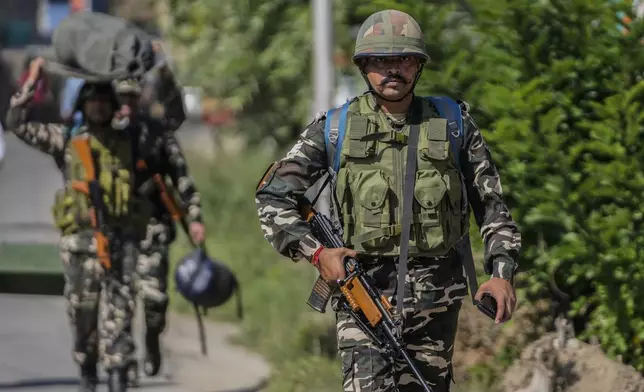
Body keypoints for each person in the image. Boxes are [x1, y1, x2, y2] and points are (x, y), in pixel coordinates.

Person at [255, 9, 521, 392]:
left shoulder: (453, 125)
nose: (392, 70)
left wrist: (501, 275)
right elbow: (273, 196)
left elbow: (494, 210)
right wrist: (317, 254)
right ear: (363, 66)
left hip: (436, 308)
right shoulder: (334, 128)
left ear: (419, 66)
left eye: (404, 59)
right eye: (380, 60)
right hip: (362, 300)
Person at [4, 57, 197, 392]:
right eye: (92, 102)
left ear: (113, 107)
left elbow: (171, 121)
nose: (98, 108)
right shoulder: (66, 141)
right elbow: (17, 124)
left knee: (119, 323)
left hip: (122, 245)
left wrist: (164, 72)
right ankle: (89, 369)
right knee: (83, 320)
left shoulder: (134, 140)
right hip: (79, 248)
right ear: (83, 105)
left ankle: (119, 373)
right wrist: (32, 81)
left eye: (104, 102)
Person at [113, 77, 205, 378]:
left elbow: (181, 177)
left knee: (154, 300)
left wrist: (194, 218)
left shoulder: (156, 133)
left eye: (131, 97)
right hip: (115, 230)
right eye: (120, 97)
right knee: (120, 302)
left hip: (153, 227)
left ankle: (152, 341)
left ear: (139, 98)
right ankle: (123, 361)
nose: (126, 104)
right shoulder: (103, 132)